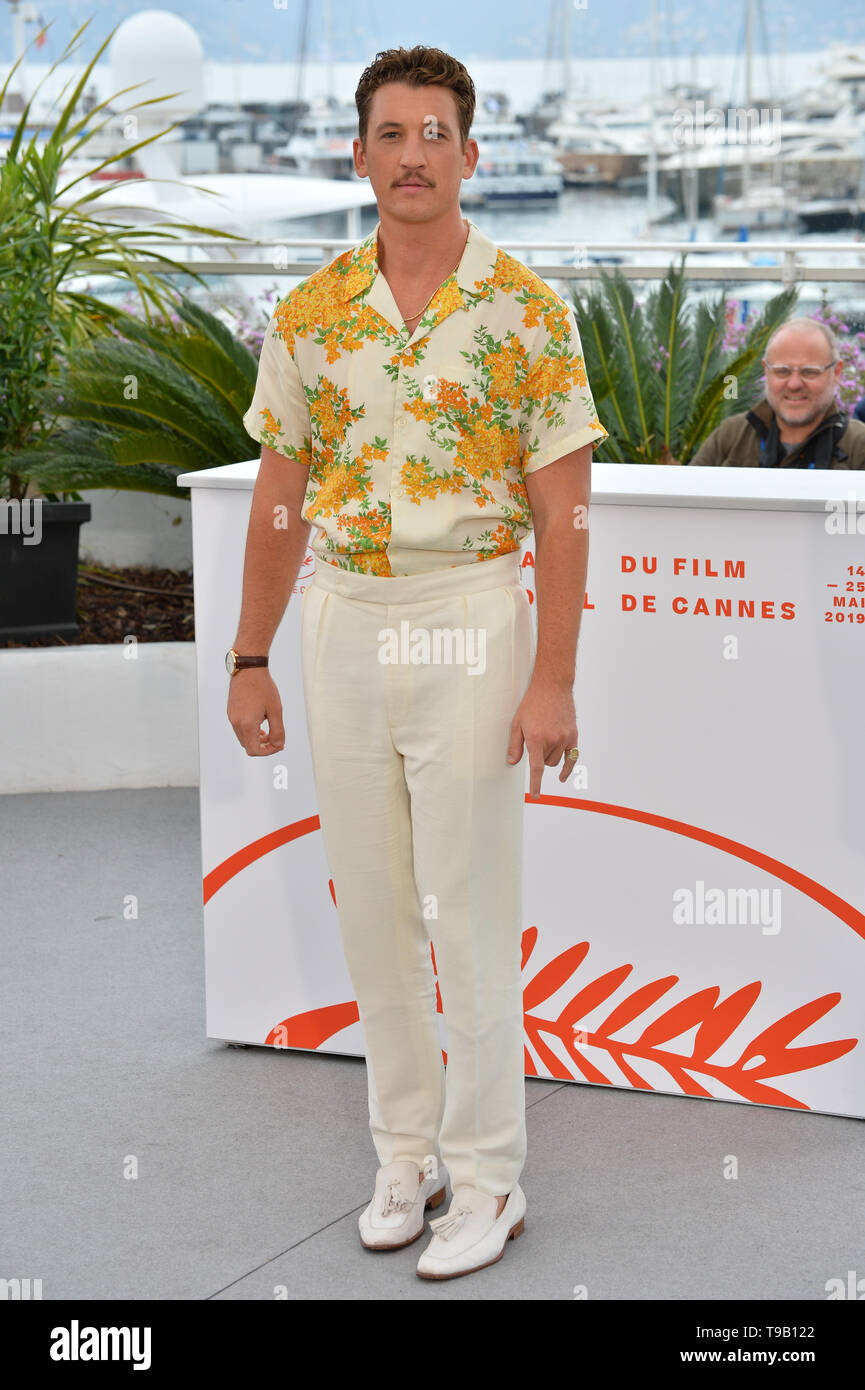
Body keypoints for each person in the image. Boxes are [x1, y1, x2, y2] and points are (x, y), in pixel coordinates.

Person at [227, 45, 607, 1282]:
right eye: (390, 134)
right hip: (343, 619)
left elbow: (564, 517)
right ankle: (408, 1150)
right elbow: (279, 497)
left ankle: (489, 1175)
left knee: (467, 909)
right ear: (359, 154)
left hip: (471, 621)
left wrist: (552, 678)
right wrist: (249, 653)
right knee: (376, 911)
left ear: (469, 153)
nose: (411, 155)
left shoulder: (526, 311)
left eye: (433, 133)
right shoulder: (311, 312)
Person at [689, 317, 865, 469]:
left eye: (809, 372)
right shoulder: (731, 436)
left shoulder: (858, 446)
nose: (794, 384)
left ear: (836, 372)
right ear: (766, 371)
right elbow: (686, 501)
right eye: (782, 371)